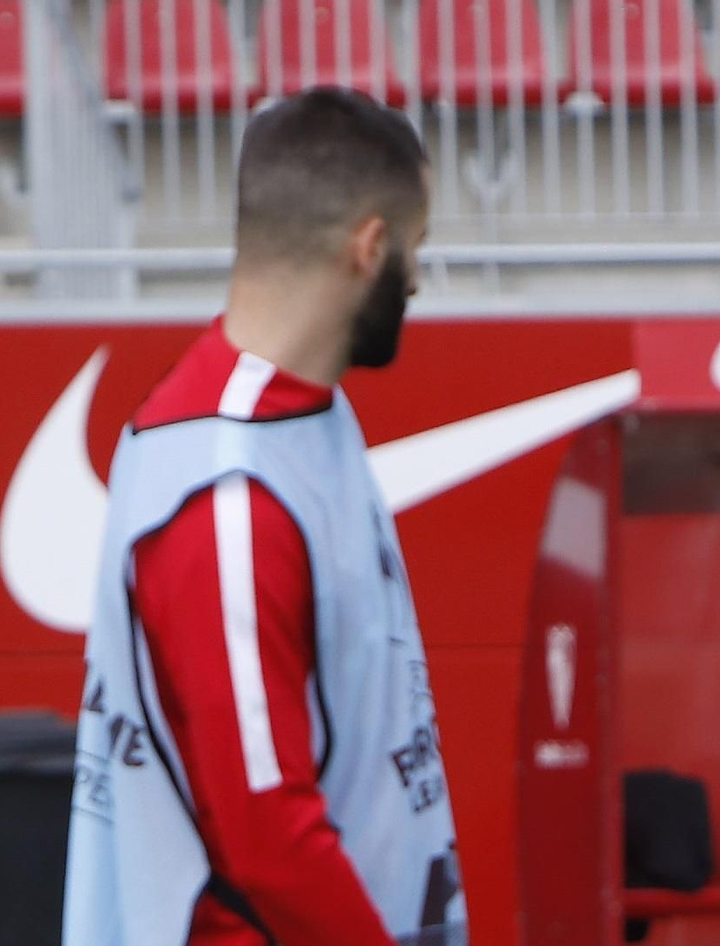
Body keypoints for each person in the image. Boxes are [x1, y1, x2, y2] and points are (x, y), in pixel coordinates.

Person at [63, 88, 467, 946]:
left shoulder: (301, 419)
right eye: (416, 248)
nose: (420, 278)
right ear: (370, 248)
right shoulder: (227, 491)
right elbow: (265, 836)